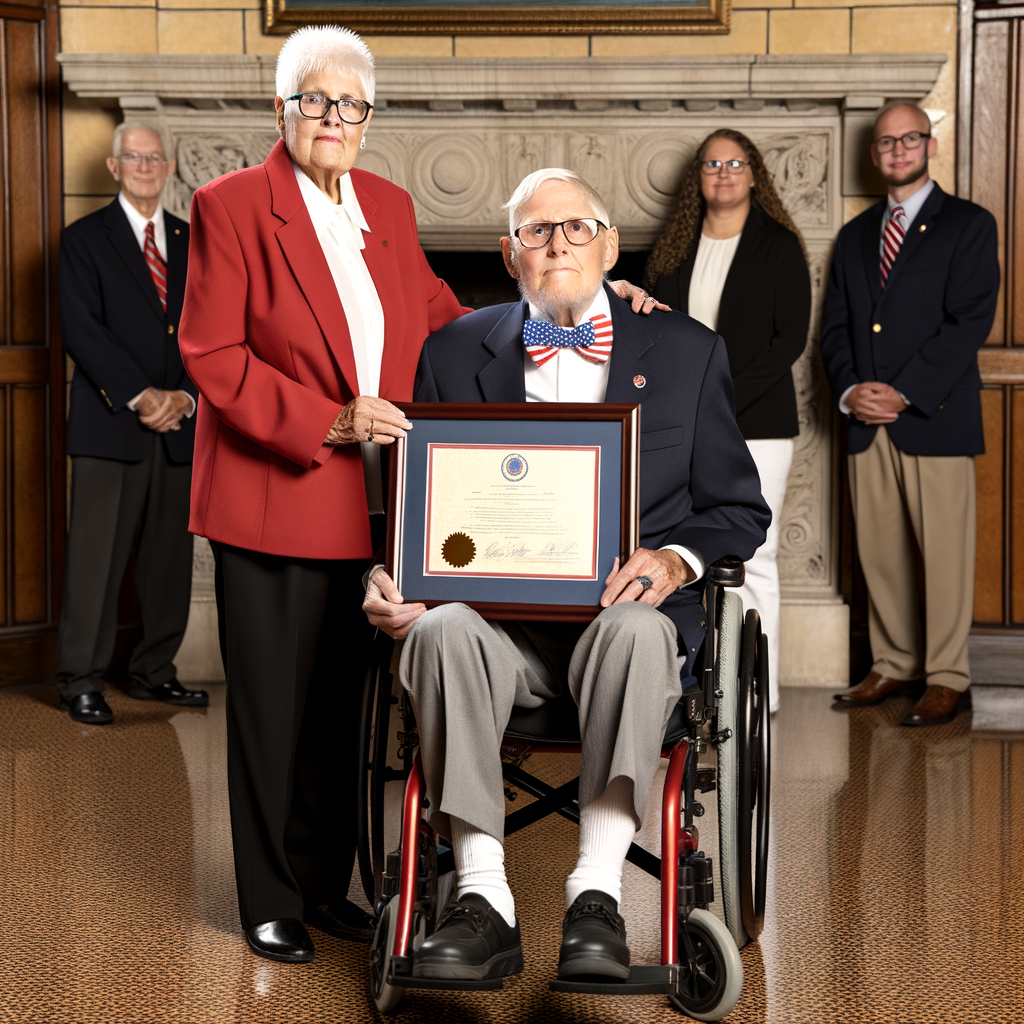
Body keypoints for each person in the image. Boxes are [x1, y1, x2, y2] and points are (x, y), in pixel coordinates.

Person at [363, 168, 770, 982]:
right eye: (537, 232)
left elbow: (736, 510)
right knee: (439, 628)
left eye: (576, 228)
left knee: (635, 627)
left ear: (610, 245)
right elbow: (422, 506)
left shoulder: (688, 352)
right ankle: (483, 899)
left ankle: (597, 893)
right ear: (510, 255)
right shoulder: (450, 352)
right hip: (499, 639)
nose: (558, 245)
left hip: (625, 635)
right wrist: (394, 575)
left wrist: (672, 559)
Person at [822, 101, 999, 726]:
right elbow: (839, 328)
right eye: (887, 143)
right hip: (866, 422)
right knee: (881, 553)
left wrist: (903, 390)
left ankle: (947, 674)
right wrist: (850, 391)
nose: (899, 150)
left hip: (935, 416)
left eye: (910, 139)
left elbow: (969, 322)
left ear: (929, 145)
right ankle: (893, 662)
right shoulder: (854, 235)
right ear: (874, 155)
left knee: (945, 553)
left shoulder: (969, 225)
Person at [648, 129, 811, 715]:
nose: (723, 172)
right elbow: (657, 331)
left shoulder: (780, 246)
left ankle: (754, 696)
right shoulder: (676, 244)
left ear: (753, 173)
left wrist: (713, 406)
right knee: (687, 546)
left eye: (734, 162)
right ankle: (697, 686)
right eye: (712, 163)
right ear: (700, 177)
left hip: (759, 422)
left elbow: (787, 341)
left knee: (754, 554)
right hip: (685, 427)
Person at [57, 123, 206, 726]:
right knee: (96, 558)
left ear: (168, 167)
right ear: (115, 168)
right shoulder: (83, 240)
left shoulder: (195, 242)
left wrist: (189, 398)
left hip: (180, 427)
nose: (144, 166)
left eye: (154, 157)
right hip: (110, 423)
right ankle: (79, 679)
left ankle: (153, 671)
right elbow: (82, 330)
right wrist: (143, 395)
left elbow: (212, 331)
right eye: (132, 157)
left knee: (168, 559)